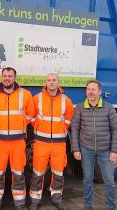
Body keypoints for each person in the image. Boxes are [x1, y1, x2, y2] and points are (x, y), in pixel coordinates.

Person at [0, 67, 34, 210]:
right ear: (1, 77)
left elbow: (30, 115)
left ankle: (20, 203)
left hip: (18, 141)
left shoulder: (26, 94)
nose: (7, 78)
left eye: (10, 76)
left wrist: (18, 125)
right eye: (5, 76)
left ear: (15, 77)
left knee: (18, 172)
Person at [71, 80, 117, 210]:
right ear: (86, 91)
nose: (91, 92)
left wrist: (115, 151)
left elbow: (116, 129)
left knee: (109, 181)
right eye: (88, 89)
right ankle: (88, 206)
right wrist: (76, 149)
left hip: (106, 150)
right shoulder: (80, 107)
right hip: (86, 149)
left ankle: (111, 207)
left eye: (94, 89)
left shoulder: (108, 107)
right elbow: (75, 129)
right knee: (87, 180)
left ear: (99, 92)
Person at [29, 73, 74, 210]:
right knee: (38, 171)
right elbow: (30, 116)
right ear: (45, 83)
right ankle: (35, 200)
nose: (51, 82)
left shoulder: (66, 100)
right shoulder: (36, 98)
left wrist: (61, 127)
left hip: (59, 144)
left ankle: (57, 198)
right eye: (49, 80)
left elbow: (69, 118)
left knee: (58, 171)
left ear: (58, 82)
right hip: (41, 143)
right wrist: (38, 126)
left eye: (54, 80)